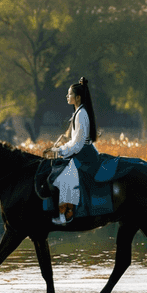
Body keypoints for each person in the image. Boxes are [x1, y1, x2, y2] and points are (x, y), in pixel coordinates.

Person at [49, 77, 99, 224]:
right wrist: (60, 148)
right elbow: (74, 141)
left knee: (65, 175)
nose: (67, 96)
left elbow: (78, 145)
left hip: (85, 155)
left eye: (69, 94)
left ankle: (67, 214)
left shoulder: (82, 114)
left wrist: (60, 151)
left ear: (77, 97)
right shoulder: (78, 112)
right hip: (82, 152)